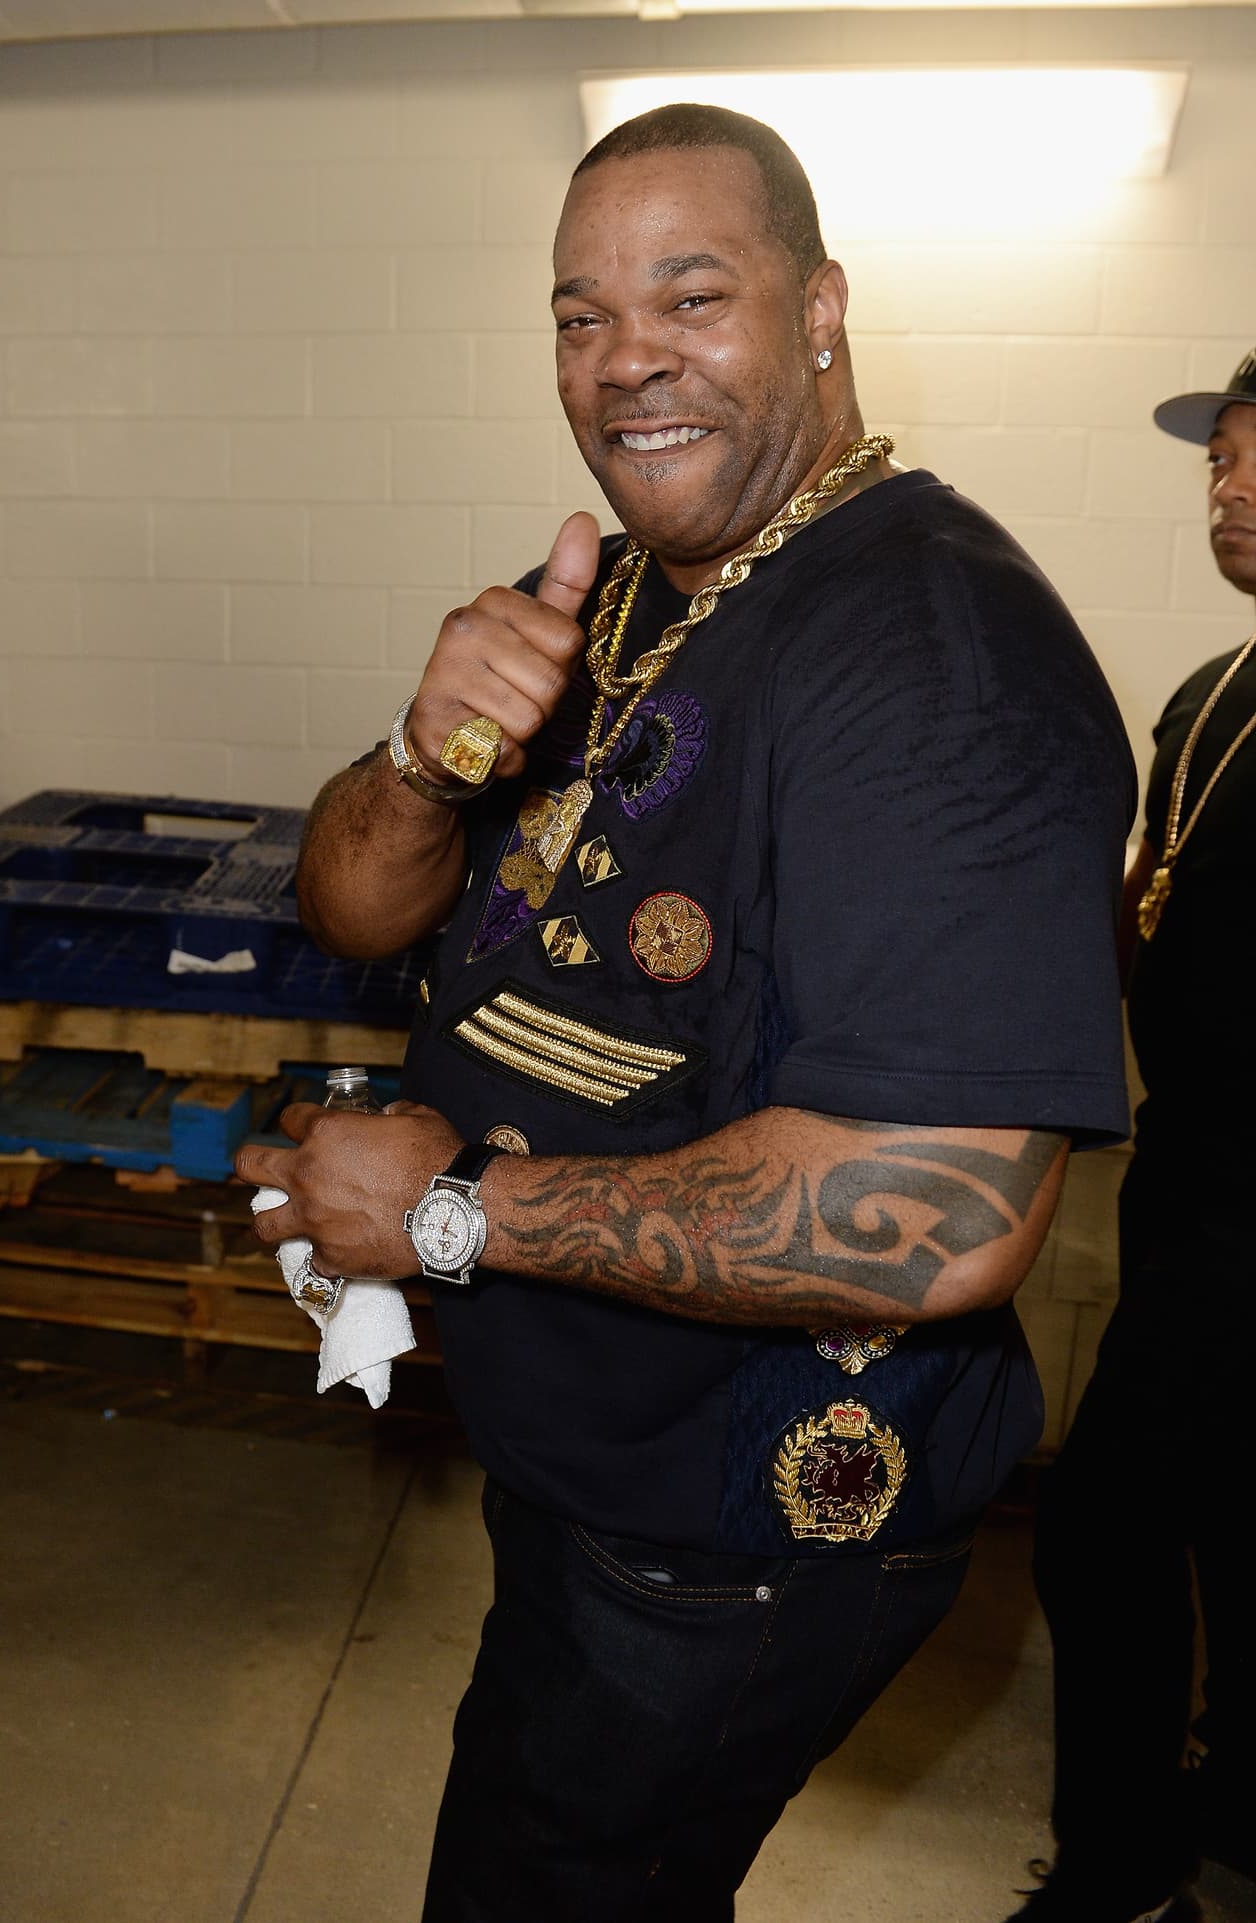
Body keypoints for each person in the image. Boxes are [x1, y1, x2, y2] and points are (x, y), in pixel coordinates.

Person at [236, 105, 1134, 1921]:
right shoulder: (636, 586)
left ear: (820, 309)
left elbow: (937, 1213)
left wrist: (442, 1208)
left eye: (691, 294)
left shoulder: (935, 658)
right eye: (581, 315)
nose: (624, 355)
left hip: (732, 1541)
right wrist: (426, 755)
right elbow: (345, 905)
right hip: (589, 1462)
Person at [1003, 352, 1256, 1923]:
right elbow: (1145, 924)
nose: (1229, 486)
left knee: (1099, 1530)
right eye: (1221, 460)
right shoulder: (1210, 698)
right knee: (1222, 1517)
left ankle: (1118, 1873)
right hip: (1190, 1177)